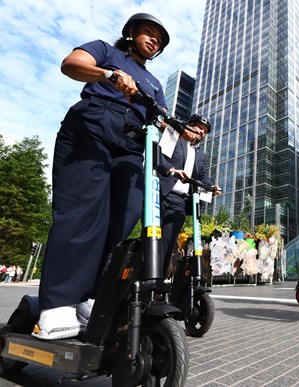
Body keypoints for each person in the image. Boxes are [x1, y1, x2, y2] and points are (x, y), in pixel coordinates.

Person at [33, 13, 171, 340]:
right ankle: (58, 305)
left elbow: (161, 118)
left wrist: (177, 127)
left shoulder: (153, 83)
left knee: (123, 222)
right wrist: (109, 75)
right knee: (82, 212)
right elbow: (72, 64)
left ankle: (89, 297)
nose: (153, 40)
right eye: (149, 33)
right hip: (93, 126)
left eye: (159, 40)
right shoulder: (108, 52)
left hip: (132, 143)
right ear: (132, 32)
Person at [157, 114, 221, 277]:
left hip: (179, 202)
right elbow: (159, 157)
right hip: (161, 194)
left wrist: (212, 187)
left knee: (169, 244)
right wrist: (171, 170)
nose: (201, 132)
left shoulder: (201, 156)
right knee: (152, 239)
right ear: (189, 125)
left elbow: (203, 178)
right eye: (199, 128)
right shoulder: (174, 137)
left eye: (205, 131)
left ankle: (157, 285)